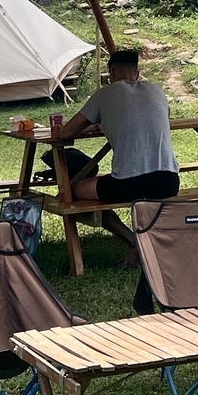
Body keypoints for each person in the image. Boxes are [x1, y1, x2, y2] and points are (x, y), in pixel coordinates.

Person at [54, 48, 179, 264]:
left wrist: (98, 122)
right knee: (141, 190)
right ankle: (143, 243)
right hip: (169, 180)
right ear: (137, 73)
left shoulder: (104, 94)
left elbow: (66, 132)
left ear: (111, 73)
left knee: (72, 191)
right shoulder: (158, 90)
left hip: (129, 183)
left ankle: (133, 241)